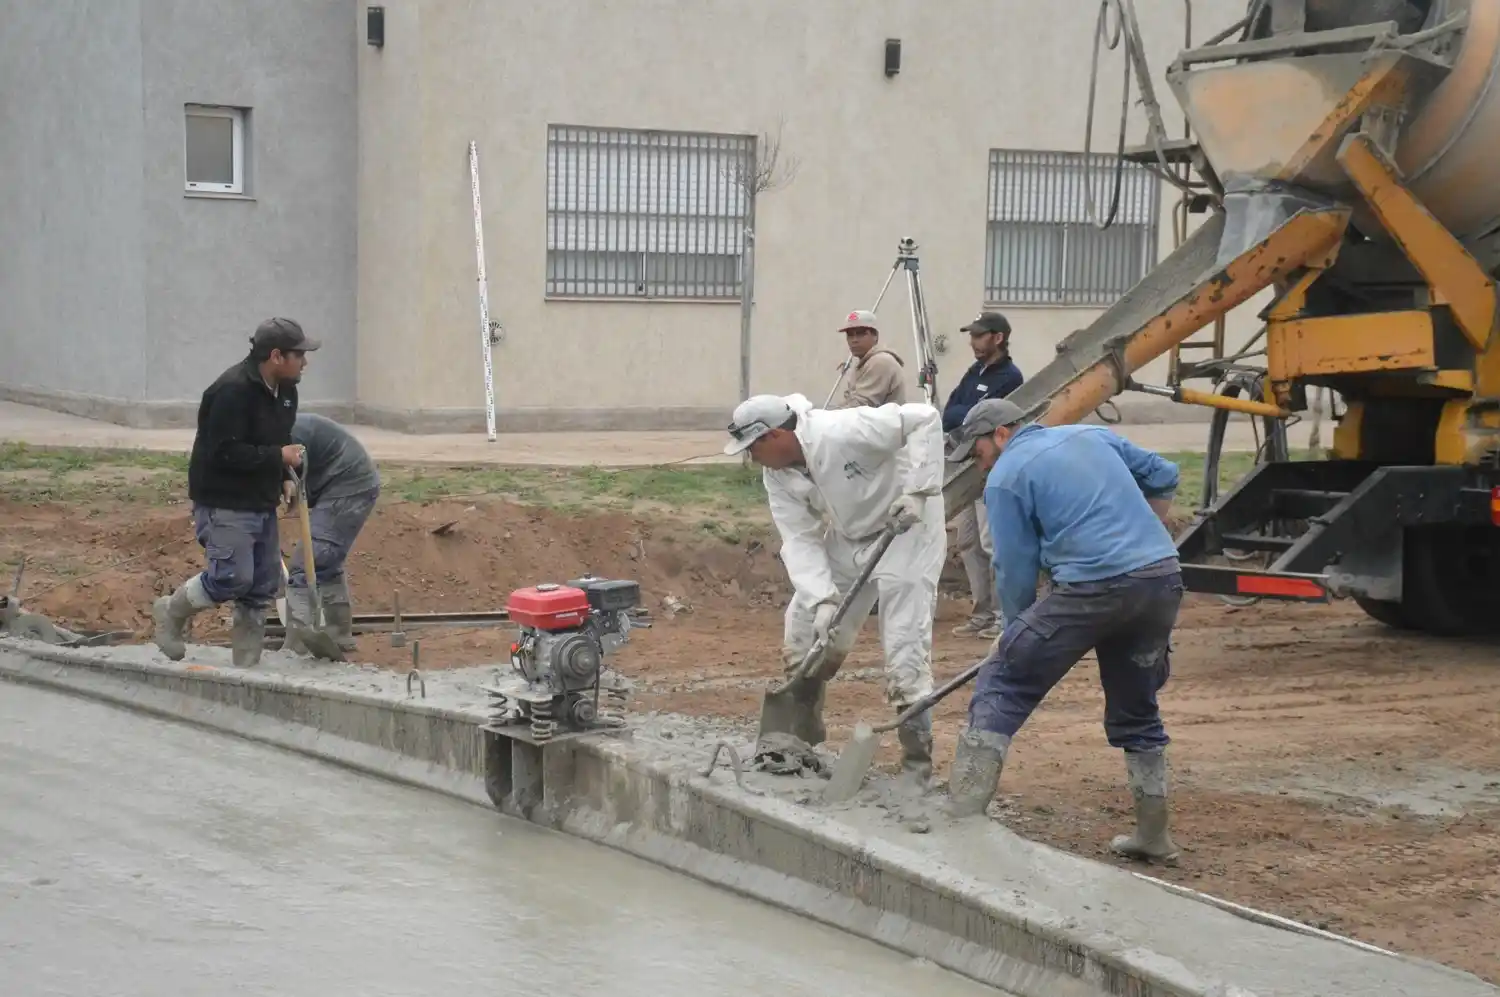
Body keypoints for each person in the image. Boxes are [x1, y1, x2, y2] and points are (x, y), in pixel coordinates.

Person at [941, 398, 1184, 863]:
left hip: (1092, 588)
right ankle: (1154, 835)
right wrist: (1143, 539)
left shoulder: (1006, 478)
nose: (979, 463)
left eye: (977, 452)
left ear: (1002, 434)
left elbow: (1013, 569)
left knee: (1004, 681)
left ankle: (962, 818)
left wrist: (1014, 631)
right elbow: (1164, 474)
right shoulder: (1089, 435)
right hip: (1159, 578)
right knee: (1136, 705)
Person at [724, 393, 945, 785]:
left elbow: (924, 418)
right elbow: (799, 538)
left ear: (775, 435)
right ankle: (798, 738)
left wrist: (919, 490)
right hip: (850, 536)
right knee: (803, 626)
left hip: (907, 532)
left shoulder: (843, 430)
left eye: (752, 448)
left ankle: (916, 766)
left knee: (903, 649)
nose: (750, 458)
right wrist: (823, 598)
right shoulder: (776, 474)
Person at [152, 318, 320, 668]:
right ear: (276, 356)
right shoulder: (231, 391)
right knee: (231, 576)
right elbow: (223, 452)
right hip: (224, 498)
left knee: (261, 585)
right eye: (299, 355)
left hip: (259, 497)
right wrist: (278, 456)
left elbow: (278, 437)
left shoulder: (286, 390)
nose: (305, 362)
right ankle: (171, 610)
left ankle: (247, 667)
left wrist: (284, 477)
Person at [941, 312, 1024, 640]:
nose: (973, 342)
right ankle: (982, 613)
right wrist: (970, 413)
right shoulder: (975, 372)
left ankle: (1005, 616)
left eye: (979, 335)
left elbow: (985, 416)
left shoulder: (1010, 377)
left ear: (998, 338)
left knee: (993, 542)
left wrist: (967, 415)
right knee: (968, 541)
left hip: (990, 465)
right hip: (967, 461)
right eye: (972, 336)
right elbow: (951, 413)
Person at [282, 413, 381, 654]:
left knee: (307, 563)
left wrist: (286, 484)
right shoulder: (277, 432)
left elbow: (294, 474)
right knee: (326, 561)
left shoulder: (284, 436)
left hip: (349, 486)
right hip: (349, 482)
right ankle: (338, 632)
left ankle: (296, 647)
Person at [830, 310, 908, 409]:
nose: (854, 340)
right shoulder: (865, 363)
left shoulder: (880, 361)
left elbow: (860, 406)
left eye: (861, 334)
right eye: (850, 335)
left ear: (875, 336)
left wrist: (824, 418)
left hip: (882, 423)